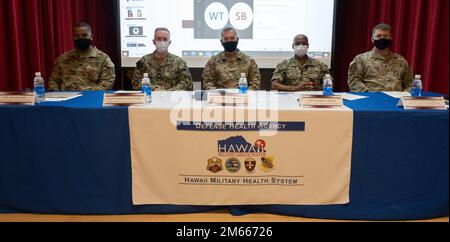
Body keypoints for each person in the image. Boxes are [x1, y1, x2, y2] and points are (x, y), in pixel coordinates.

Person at [49, 22, 115, 91]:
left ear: (91, 37)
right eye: (77, 36)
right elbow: (53, 81)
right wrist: (57, 95)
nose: (80, 38)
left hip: (90, 98)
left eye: (84, 35)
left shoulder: (103, 59)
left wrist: (84, 92)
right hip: (65, 99)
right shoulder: (63, 59)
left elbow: (107, 84)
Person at [348, 23, 414, 92]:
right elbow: (354, 82)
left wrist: (403, 96)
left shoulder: (401, 60)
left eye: (385, 36)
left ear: (391, 38)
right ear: (372, 39)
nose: (382, 38)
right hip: (370, 100)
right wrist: (371, 95)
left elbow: (410, 84)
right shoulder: (360, 59)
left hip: (396, 101)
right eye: (378, 36)